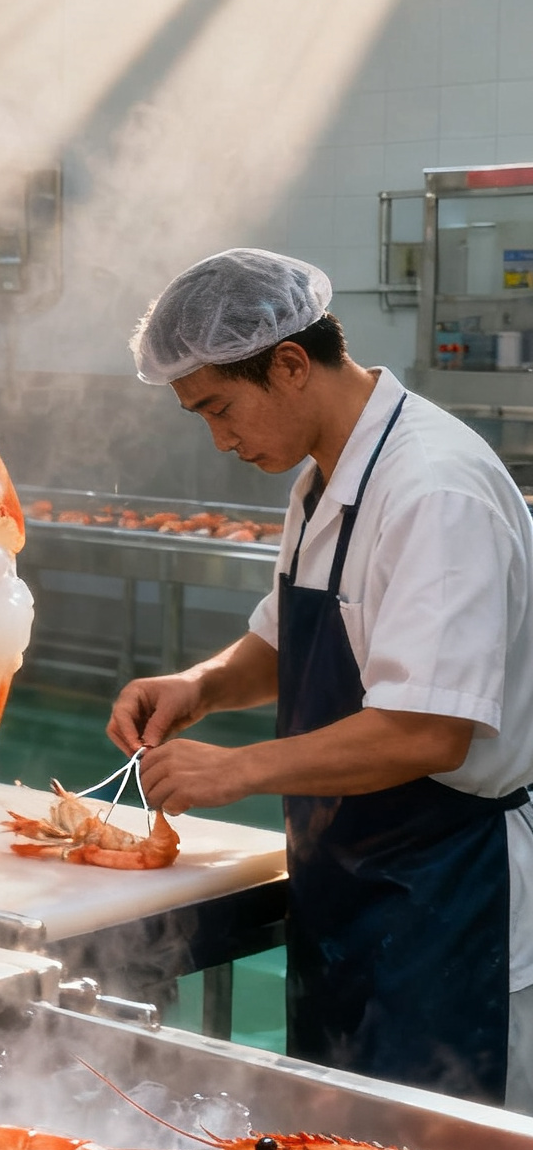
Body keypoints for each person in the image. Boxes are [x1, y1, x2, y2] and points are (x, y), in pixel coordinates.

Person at [110, 248, 533, 1104]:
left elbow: (427, 729)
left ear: (291, 364)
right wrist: (201, 686)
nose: (220, 439)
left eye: (220, 409)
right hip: (352, 880)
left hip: (455, 895)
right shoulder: (322, 481)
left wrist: (234, 770)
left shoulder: (432, 490)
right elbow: (281, 643)